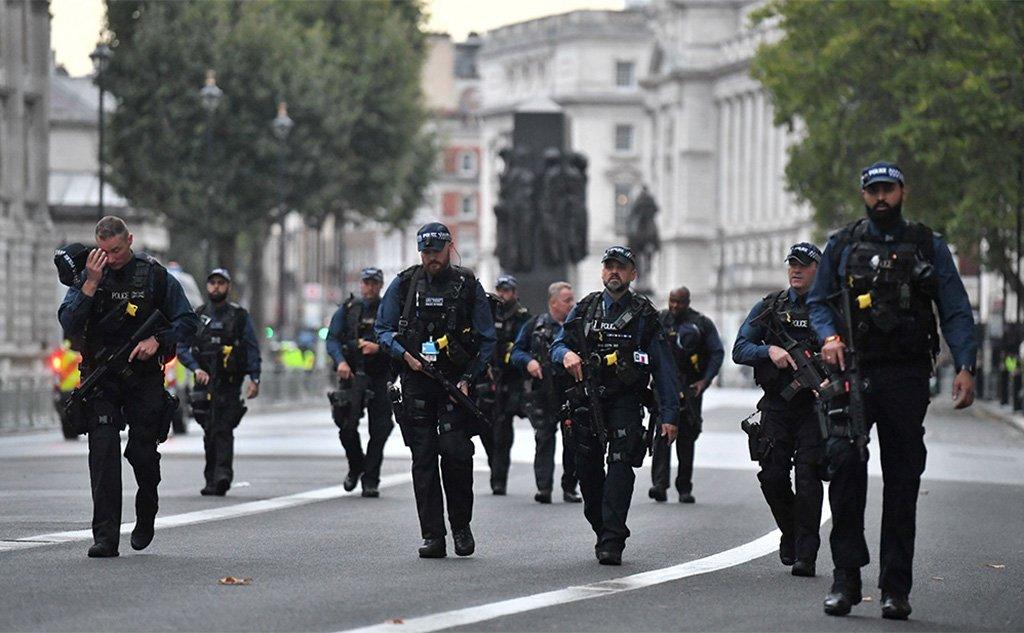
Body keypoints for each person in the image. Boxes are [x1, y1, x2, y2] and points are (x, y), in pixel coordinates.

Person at [809, 162, 977, 620]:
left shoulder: (927, 244)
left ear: (902, 191)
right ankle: (845, 580)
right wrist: (829, 336)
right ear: (864, 195)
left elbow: (956, 308)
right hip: (854, 372)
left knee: (902, 482)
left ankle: (895, 589)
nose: (880, 197)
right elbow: (819, 301)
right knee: (845, 469)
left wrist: (965, 365)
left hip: (905, 376)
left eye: (888, 189)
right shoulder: (842, 244)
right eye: (873, 190)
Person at [58, 216, 199, 557]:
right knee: (103, 454)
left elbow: (188, 322)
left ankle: (147, 508)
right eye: (104, 250)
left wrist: (158, 339)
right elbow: (68, 322)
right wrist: (89, 285)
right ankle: (105, 537)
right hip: (102, 379)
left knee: (142, 453)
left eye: (117, 250)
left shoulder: (154, 276)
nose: (111, 257)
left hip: (143, 378)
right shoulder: (89, 275)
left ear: (130, 240)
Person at [550, 246, 679, 565]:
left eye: (621, 267)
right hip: (587, 400)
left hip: (626, 400)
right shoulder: (585, 308)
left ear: (633, 274)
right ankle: (603, 526)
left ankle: (612, 538)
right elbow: (558, 344)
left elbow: (663, 367)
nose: (614, 272)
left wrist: (669, 415)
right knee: (588, 472)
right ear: (602, 271)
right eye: (609, 266)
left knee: (621, 466)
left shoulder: (644, 314)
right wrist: (565, 355)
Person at [375, 222, 496, 558]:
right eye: (426, 252)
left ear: (449, 248)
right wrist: (405, 356)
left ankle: (460, 527)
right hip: (416, 384)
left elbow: (487, 338)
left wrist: (468, 378)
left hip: (454, 386)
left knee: (457, 455)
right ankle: (433, 535)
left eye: (437, 251)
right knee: (423, 461)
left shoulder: (467, 284)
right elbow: (382, 330)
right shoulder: (404, 284)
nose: (431, 257)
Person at [732, 243, 825, 578]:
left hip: (815, 407)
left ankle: (806, 552)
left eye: (804, 265)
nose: (796, 270)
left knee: (808, 477)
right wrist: (768, 350)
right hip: (777, 406)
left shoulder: (828, 309)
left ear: (818, 269)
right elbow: (739, 348)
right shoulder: (771, 306)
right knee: (771, 476)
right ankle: (791, 531)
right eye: (792, 265)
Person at [177, 268, 261, 496]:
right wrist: (196, 368)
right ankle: (211, 478)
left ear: (228, 286)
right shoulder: (198, 316)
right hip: (205, 383)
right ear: (207, 286)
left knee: (223, 428)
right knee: (209, 428)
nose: (216, 286)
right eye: (212, 282)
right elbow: (182, 347)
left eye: (220, 283)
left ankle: (222, 475)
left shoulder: (239, 316)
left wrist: (255, 377)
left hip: (229, 382)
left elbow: (252, 347)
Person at [649, 286, 723, 503]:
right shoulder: (660, 320)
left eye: (679, 302)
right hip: (663, 385)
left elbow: (716, 353)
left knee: (687, 436)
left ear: (688, 302)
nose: (674, 306)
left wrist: (705, 380)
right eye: (672, 301)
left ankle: (684, 487)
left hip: (690, 386)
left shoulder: (701, 323)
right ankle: (659, 485)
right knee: (662, 432)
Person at [510, 281, 581, 504]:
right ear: (553, 302)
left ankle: (570, 487)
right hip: (543, 392)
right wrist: (529, 361)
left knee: (574, 441)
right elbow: (516, 352)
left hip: (570, 392)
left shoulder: (577, 327)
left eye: (572, 299)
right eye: (567, 300)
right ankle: (544, 488)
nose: (572, 304)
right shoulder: (535, 325)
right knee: (544, 438)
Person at [325, 267, 394, 498]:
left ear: (381, 285)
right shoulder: (348, 309)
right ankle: (356, 466)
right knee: (345, 425)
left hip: (379, 376)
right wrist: (341, 362)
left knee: (380, 429)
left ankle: (370, 479)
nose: (370, 287)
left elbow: (400, 340)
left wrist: (379, 347)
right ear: (361, 284)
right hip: (352, 375)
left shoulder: (390, 309)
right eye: (367, 283)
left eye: (375, 283)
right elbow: (332, 339)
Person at [478, 274, 531, 495]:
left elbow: (523, 346)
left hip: (510, 379)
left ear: (514, 293)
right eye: (500, 290)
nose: (502, 294)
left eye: (507, 290)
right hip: (487, 375)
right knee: (483, 427)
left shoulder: (521, 316)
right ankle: (494, 465)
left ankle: (499, 479)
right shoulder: (488, 312)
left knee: (502, 431)